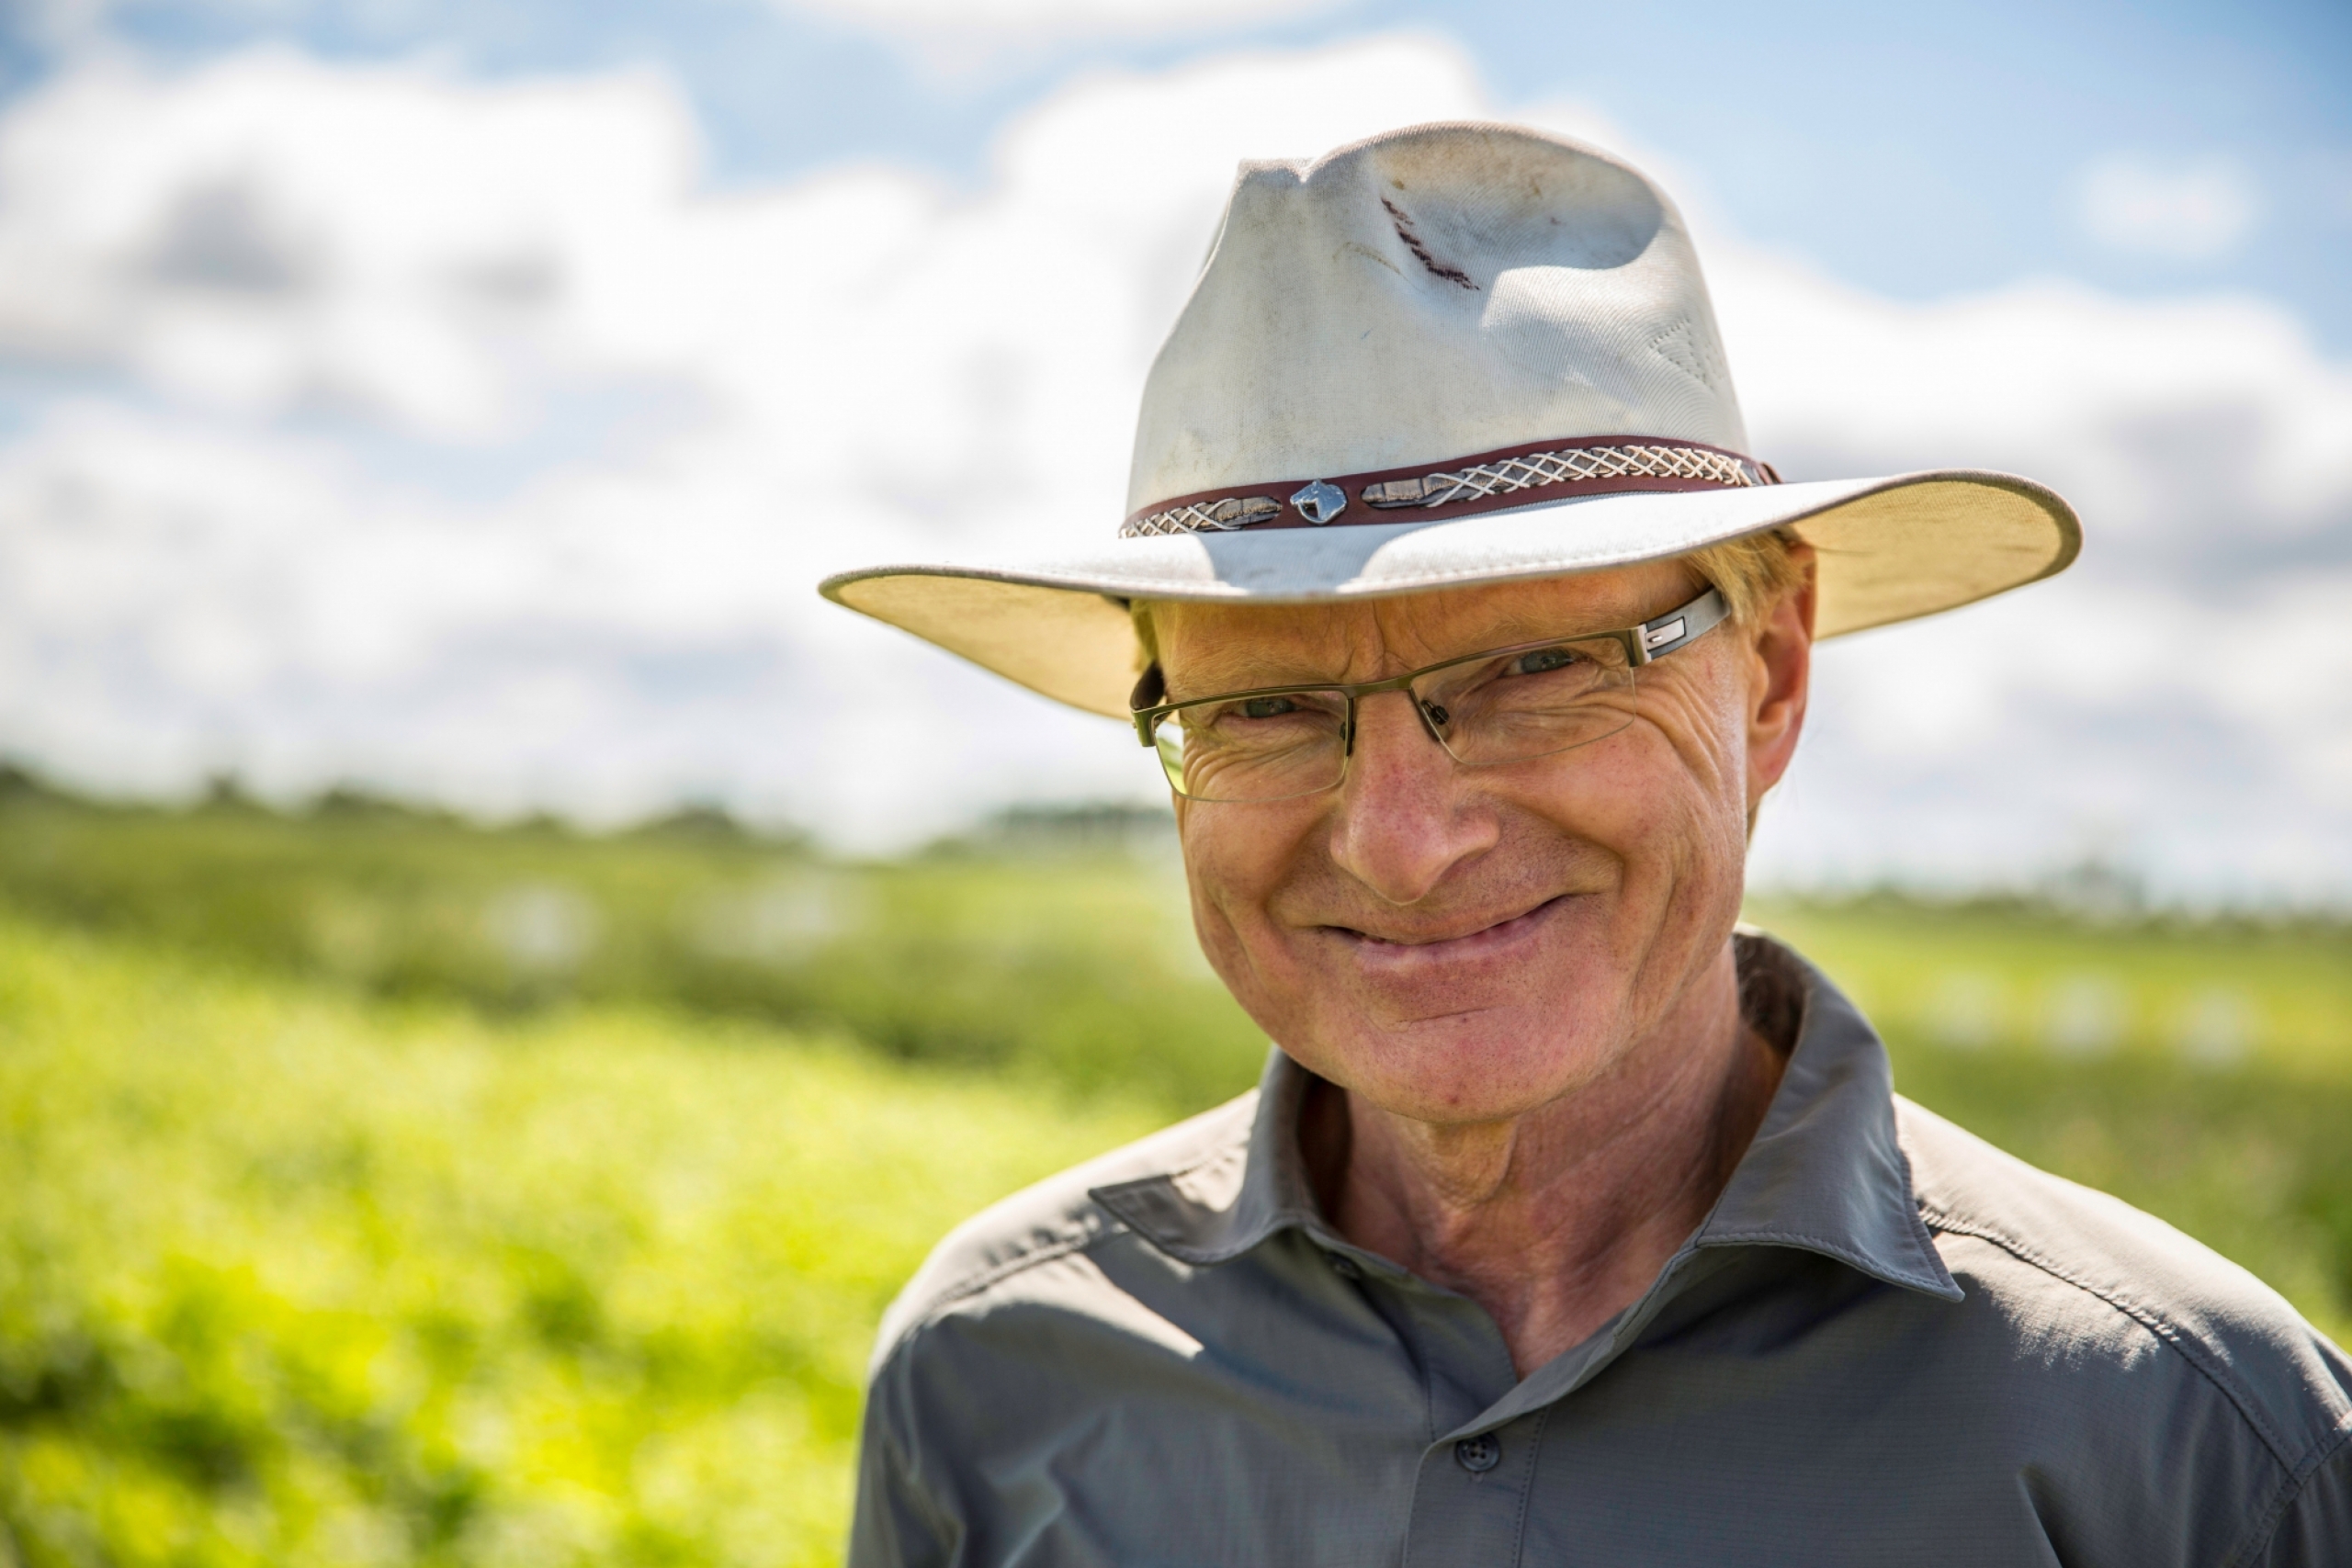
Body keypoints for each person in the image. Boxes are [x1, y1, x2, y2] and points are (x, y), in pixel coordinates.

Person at [820, 122, 2350, 1565]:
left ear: (1768, 674)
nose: (1402, 844)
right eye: (1270, 707)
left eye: (1537, 671)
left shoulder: (2195, 1441)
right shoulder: (993, 1374)